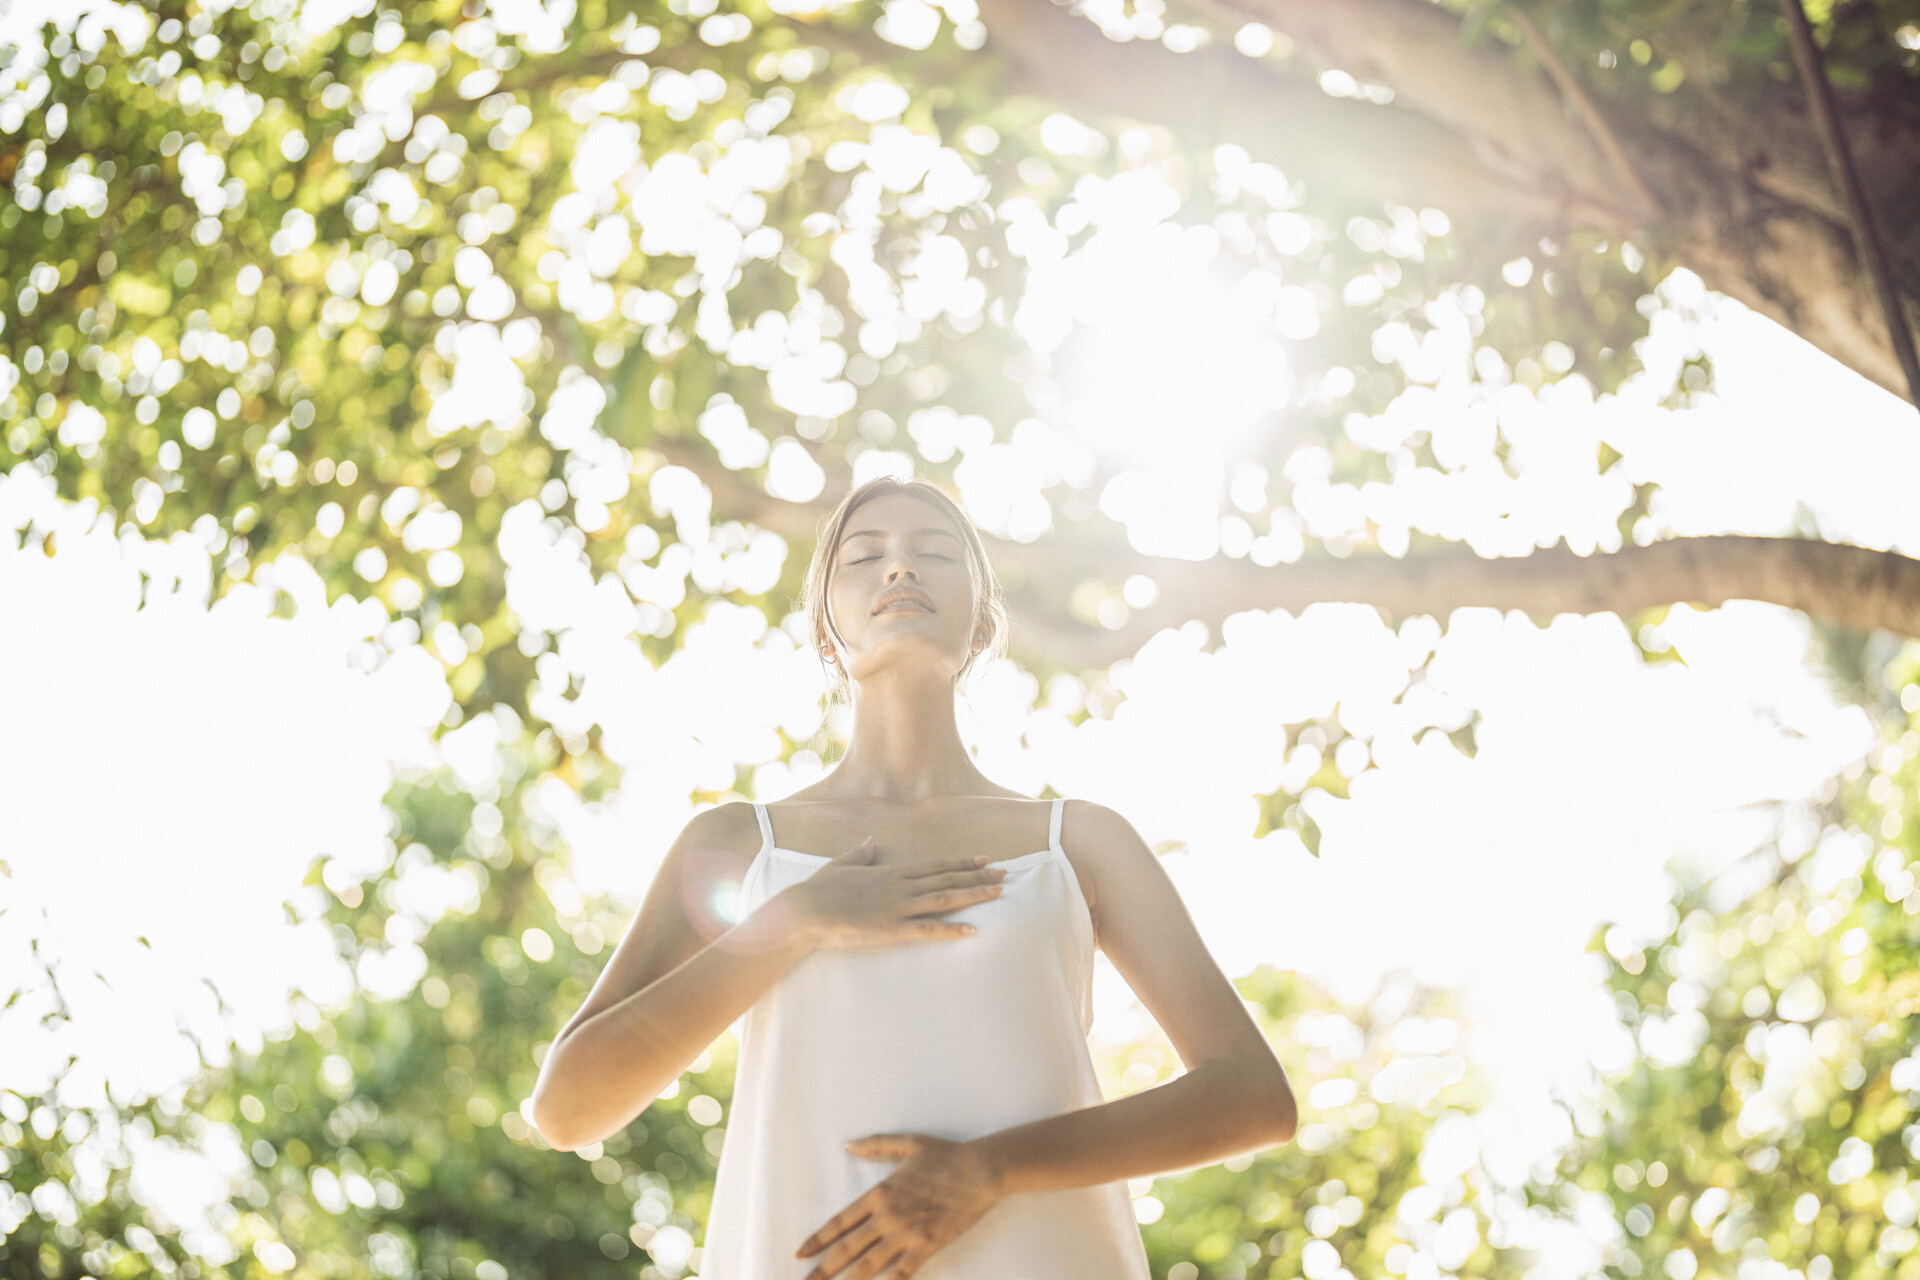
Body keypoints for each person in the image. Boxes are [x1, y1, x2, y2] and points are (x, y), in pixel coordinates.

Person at [529, 476, 1298, 1279]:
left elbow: (1252, 1098)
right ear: (826, 627)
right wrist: (793, 924)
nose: (900, 569)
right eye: (865, 556)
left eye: (935, 552)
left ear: (982, 624)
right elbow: (568, 1108)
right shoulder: (734, 842)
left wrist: (987, 1169)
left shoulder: (1081, 843)